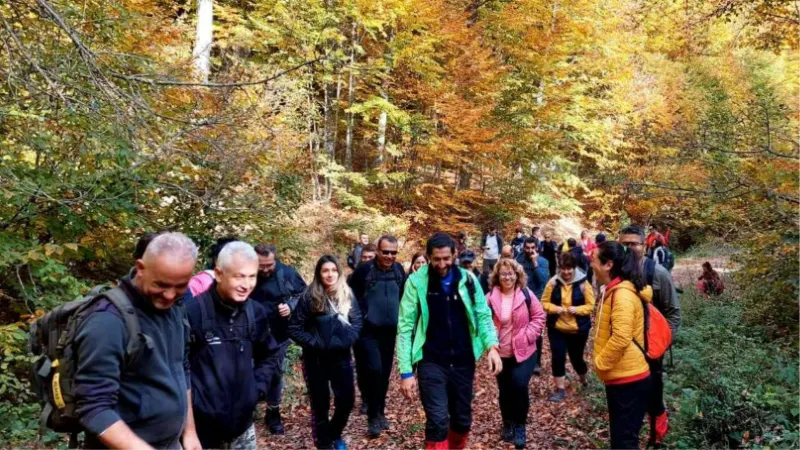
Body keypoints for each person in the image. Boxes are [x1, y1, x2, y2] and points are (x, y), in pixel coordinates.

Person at [74, 232, 202, 450]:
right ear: (141, 267)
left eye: (180, 286)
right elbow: (93, 407)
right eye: (161, 284)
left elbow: (182, 367)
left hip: (171, 443)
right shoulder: (107, 320)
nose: (170, 295)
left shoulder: (175, 310)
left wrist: (189, 432)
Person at [397, 232, 502, 450]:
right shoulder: (416, 283)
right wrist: (406, 372)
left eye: (446, 258)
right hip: (431, 361)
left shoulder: (468, 280)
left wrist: (492, 346)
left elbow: (483, 314)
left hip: (463, 361)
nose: (442, 264)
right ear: (429, 257)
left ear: (454, 255)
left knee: (462, 421)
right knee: (437, 421)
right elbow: (405, 328)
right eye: (436, 259)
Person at [186, 242, 278, 449]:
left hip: (243, 428)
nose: (246, 284)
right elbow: (176, 367)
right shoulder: (192, 312)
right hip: (202, 432)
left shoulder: (256, 313)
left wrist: (256, 390)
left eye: (251, 276)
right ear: (219, 274)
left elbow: (269, 354)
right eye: (239, 276)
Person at [289, 256, 363, 450]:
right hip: (316, 360)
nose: (330, 274)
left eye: (333, 270)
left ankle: (333, 434)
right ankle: (324, 444)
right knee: (320, 405)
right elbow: (294, 327)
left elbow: (357, 322)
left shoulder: (347, 294)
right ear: (319, 273)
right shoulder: (309, 296)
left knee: (347, 401)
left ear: (338, 272)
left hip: (341, 357)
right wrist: (314, 343)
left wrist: (347, 340)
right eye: (325, 270)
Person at [619, 225, 680, 447]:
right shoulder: (614, 271)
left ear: (644, 245)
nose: (628, 248)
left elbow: (673, 312)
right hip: (623, 348)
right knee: (627, 396)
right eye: (623, 244)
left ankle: (657, 436)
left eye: (633, 244)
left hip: (650, 349)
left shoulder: (658, 273)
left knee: (653, 394)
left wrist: (662, 343)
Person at [591, 241, 653, 450]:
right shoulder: (614, 290)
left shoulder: (622, 295)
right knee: (622, 438)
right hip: (621, 377)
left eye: (594, 259)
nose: (591, 263)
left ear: (608, 265)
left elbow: (621, 338)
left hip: (629, 379)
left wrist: (600, 363)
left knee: (624, 441)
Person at [348, 235, 405, 437]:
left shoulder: (399, 271)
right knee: (373, 370)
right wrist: (358, 318)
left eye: (393, 252)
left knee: (384, 375)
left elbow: (404, 296)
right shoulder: (364, 270)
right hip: (367, 331)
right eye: (385, 251)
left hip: (389, 332)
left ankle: (380, 412)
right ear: (378, 251)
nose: (389, 256)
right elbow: (349, 294)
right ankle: (372, 416)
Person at [485, 258, 545, 449]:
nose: (507, 277)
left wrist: (528, 336)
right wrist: (490, 345)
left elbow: (539, 316)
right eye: (503, 273)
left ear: (517, 275)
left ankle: (520, 425)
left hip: (524, 351)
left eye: (511, 273)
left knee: (519, 385)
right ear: (497, 276)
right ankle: (507, 423)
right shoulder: (490, 297)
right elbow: (484, 322)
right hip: (500, 353)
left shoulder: (525, 294)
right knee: (504, 390)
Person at [250, 243, 308, 435]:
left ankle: (273, 412)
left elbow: (303, 293)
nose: (265, 269)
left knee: (275, 373)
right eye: (261, 265)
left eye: (269, 265)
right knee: (248, 371)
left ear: (275, 259)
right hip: (251, 333)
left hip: (278, 333)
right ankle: (248, 407)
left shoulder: (287, 273)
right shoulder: (246, 273)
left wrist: (291, 305)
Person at [541, 252, 595, 403]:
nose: (565, 272)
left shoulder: (584, 284)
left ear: (574, 268)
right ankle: (560, 389)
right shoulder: (553, 283)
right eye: (563, 269)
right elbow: (544, 302)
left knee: (576, 358)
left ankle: (583, 379)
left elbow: (591, 306)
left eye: (569, 269)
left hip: (578, 329)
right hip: (557, 328)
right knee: (558, 356)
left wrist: (577, 310)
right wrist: (554, 308)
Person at [515, 237, 550, 374]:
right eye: (527, 248)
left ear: (537, 248)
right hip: (521, 299)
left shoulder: (543, 261)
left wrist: (535, 263)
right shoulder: (518, 260)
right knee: (520, 329)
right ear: (524, 247)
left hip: (537, 299)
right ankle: (522, 358)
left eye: (532, 248)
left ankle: (536, 362)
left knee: (537, 333)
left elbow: (543, 280)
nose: (530, 250)